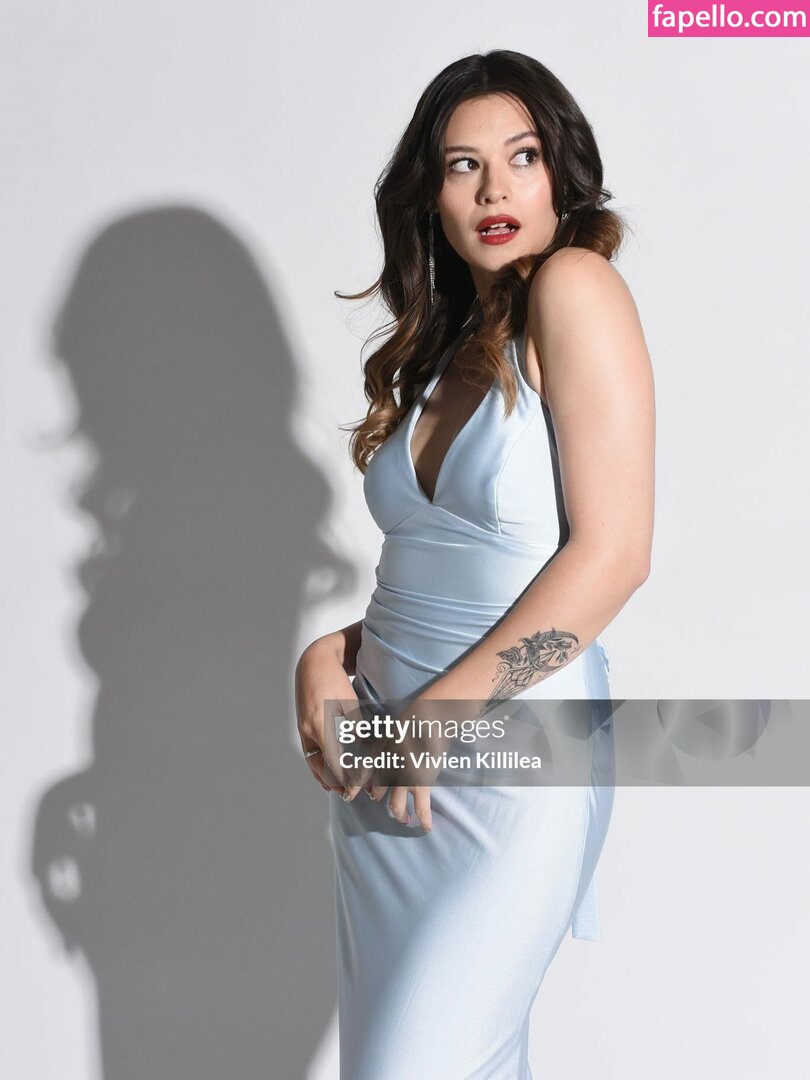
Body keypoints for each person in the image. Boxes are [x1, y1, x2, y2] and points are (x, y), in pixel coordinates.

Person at [294, 49, 655, 1079]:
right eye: (463, 165)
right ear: (431, 195)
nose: (495, 189)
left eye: (522, 157)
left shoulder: (576, 288)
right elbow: (447, 571)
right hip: (385, 771)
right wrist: (329, 654)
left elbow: (615, 556)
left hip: (509, 765)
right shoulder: (445, 344)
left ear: (561, 176)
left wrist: (442, 713)